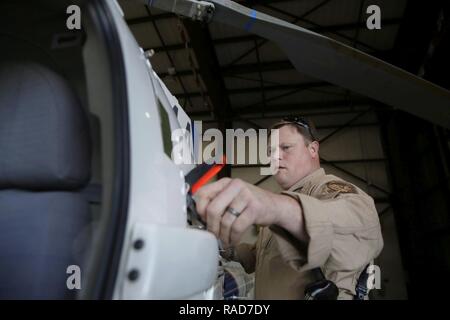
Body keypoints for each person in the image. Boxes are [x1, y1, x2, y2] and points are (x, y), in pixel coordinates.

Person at [195, 116, 384, 299]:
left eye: (285, 148)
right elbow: (261, 256)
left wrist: (275, 207)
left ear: (312, 149)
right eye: (271, 151)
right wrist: (223, 247)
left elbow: (364, 228)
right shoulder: (282, 205)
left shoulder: (329, 190)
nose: (275, 157)